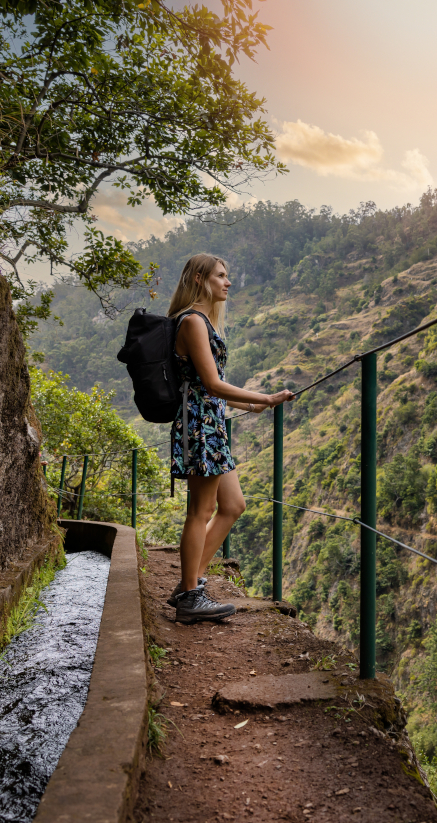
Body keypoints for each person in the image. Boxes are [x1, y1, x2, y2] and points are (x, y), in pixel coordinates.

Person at [166, 253, 294, 623]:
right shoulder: (191, 321)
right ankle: (191, 598)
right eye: (221, 276)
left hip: (212, 423)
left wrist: (248, 405)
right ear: (199, 279)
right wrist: (265, 397)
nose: (228, 282)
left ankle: (189, 585)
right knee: (200, 510)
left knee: (233, 505)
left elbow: (212, 388)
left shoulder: (203, 322)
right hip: (199, 425)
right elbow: (210, 383)